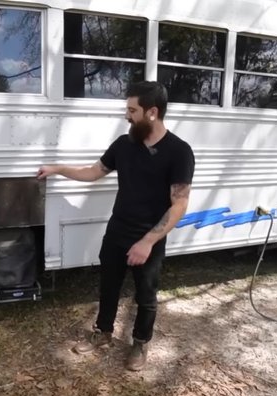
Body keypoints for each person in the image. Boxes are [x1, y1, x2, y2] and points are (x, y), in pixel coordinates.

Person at [37, 81, 195, 371]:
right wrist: (57, 169)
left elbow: (179, 204)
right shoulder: (125, 144)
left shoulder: (179, 151)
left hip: (150, 237)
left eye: (132, 110)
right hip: (117, 231)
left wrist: (147, 242)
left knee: (146, 295)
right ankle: (103, 332)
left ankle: (140, 343)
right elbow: (94, 172)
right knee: (108, 286)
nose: (126, 115)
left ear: (152, 112)